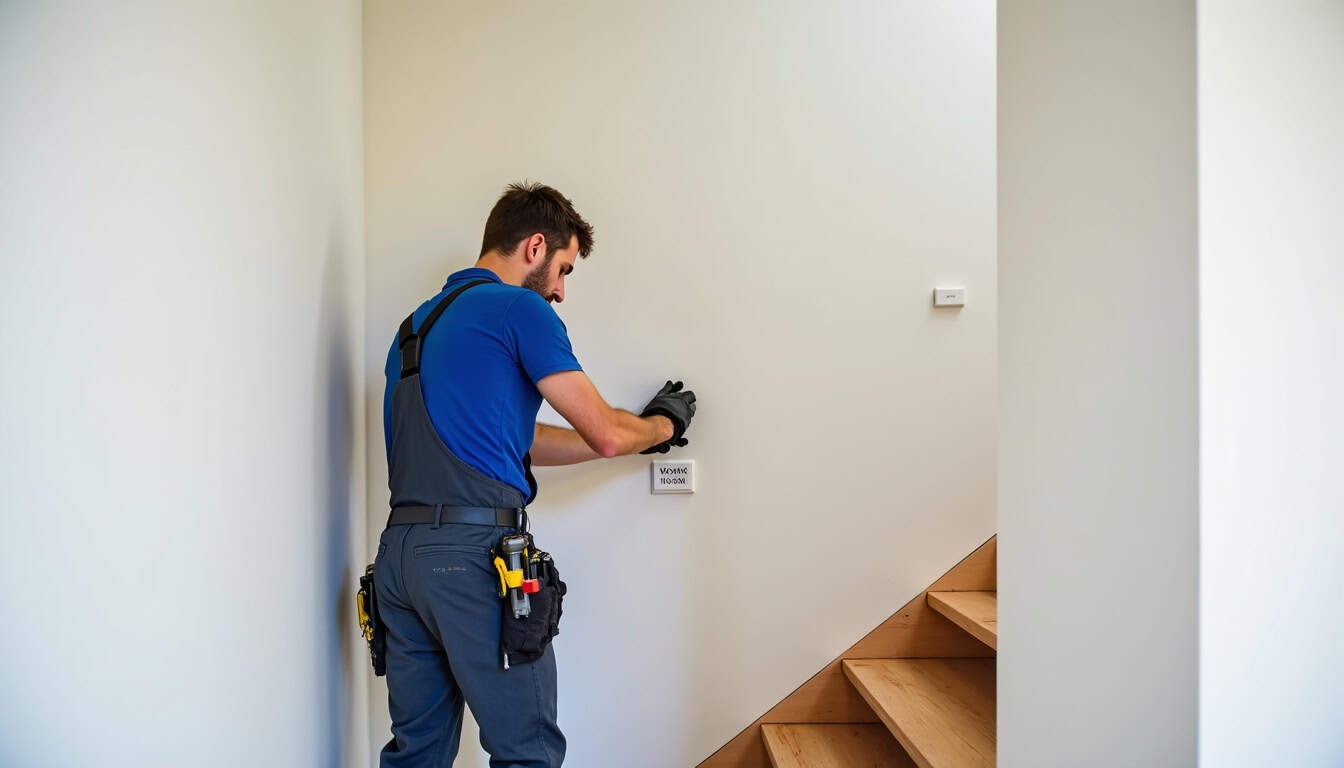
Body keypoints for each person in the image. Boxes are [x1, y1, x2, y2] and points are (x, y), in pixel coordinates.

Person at [373, 182, 697, 768]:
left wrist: (613, 447)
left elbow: (517, 442)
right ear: (535, 246)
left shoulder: (413, 328)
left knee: (416, 754)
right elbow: (602, 428)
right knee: (527, 754)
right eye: (564, 269)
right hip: (472, 558)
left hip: (400, 560)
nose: (561, 291)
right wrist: (659, 429)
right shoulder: (518, 309)